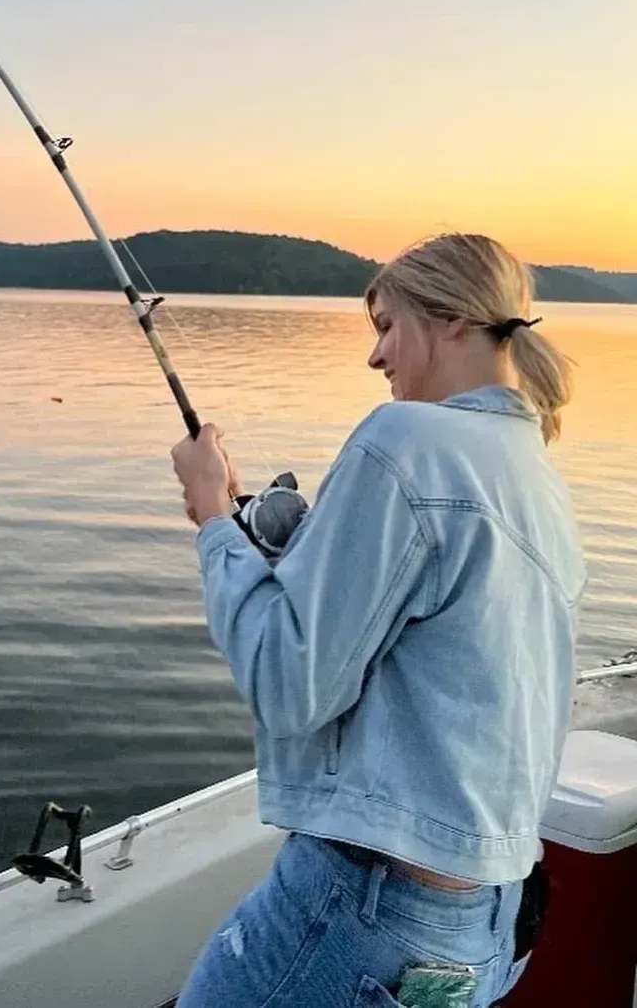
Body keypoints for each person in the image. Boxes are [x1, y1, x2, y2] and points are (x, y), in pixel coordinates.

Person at [170, 233, 585, 1008]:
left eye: (387, 326)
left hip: (373, 910)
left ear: (454, 319)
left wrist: (214, 523)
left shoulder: (405, 439)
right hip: (486, 923)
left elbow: (289, 685)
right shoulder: (532, 467)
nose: (376, 356)